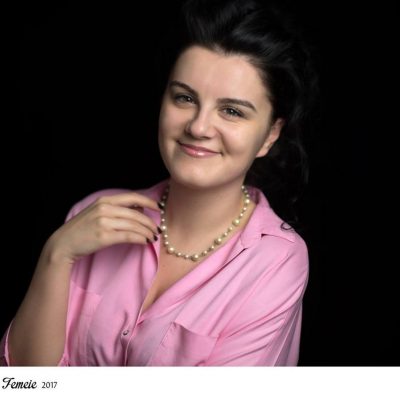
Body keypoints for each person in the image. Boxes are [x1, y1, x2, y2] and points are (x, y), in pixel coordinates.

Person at [1, 0, 318, 366]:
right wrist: (56, 254)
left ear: (270, 135)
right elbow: (24, 384)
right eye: (185, 98)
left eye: (231, 111)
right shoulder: (92, 216)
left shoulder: (276, 261)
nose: (198, 127)